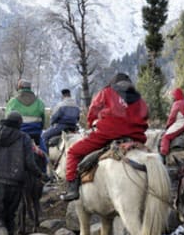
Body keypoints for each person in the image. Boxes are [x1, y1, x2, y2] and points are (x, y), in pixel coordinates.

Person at [63, 73, 149, 202]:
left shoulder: (106, 92)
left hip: (107, 133)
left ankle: (72, 187)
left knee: (73, 152)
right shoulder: (138, 98)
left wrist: (92, 123)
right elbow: (145, 115)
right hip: (135, 137)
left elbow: (93, 111)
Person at [6, 79, 47, 154]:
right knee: (44, 153)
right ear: (30, 88)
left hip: (17, 134)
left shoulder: (13, 102)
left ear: (19, 88)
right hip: (35, 134)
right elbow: (43, 121)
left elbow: (7, 119)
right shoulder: (39, 102)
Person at [159, 87, 184, 159]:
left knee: (166, 137)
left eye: (173, 95)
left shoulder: (177, 103)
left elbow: (172, 117)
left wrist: (168, 125)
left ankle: (163, 155)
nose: (173, 97)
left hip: (180, 123)